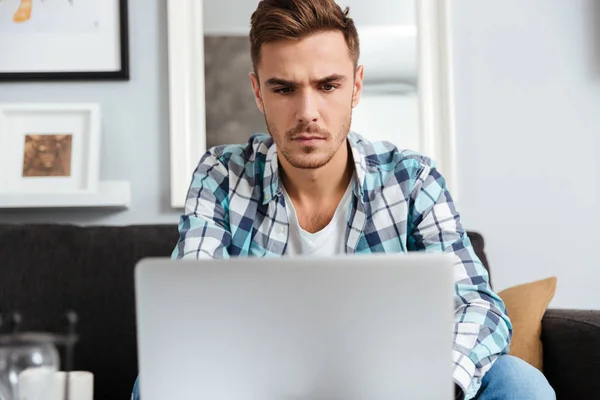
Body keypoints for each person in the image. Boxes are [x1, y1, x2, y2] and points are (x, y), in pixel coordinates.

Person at [133, 0, 555, 398]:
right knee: (151, 383)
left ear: (355, 87)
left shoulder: (412, 179)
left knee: (518, 382)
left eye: (327, 85)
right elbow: (189, 320)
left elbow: (479, 307)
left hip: (394, 391)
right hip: (258, 389)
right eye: (284, 89)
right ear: (258, 92)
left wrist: (439, 387)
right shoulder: (221, 176)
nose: (308, 112)